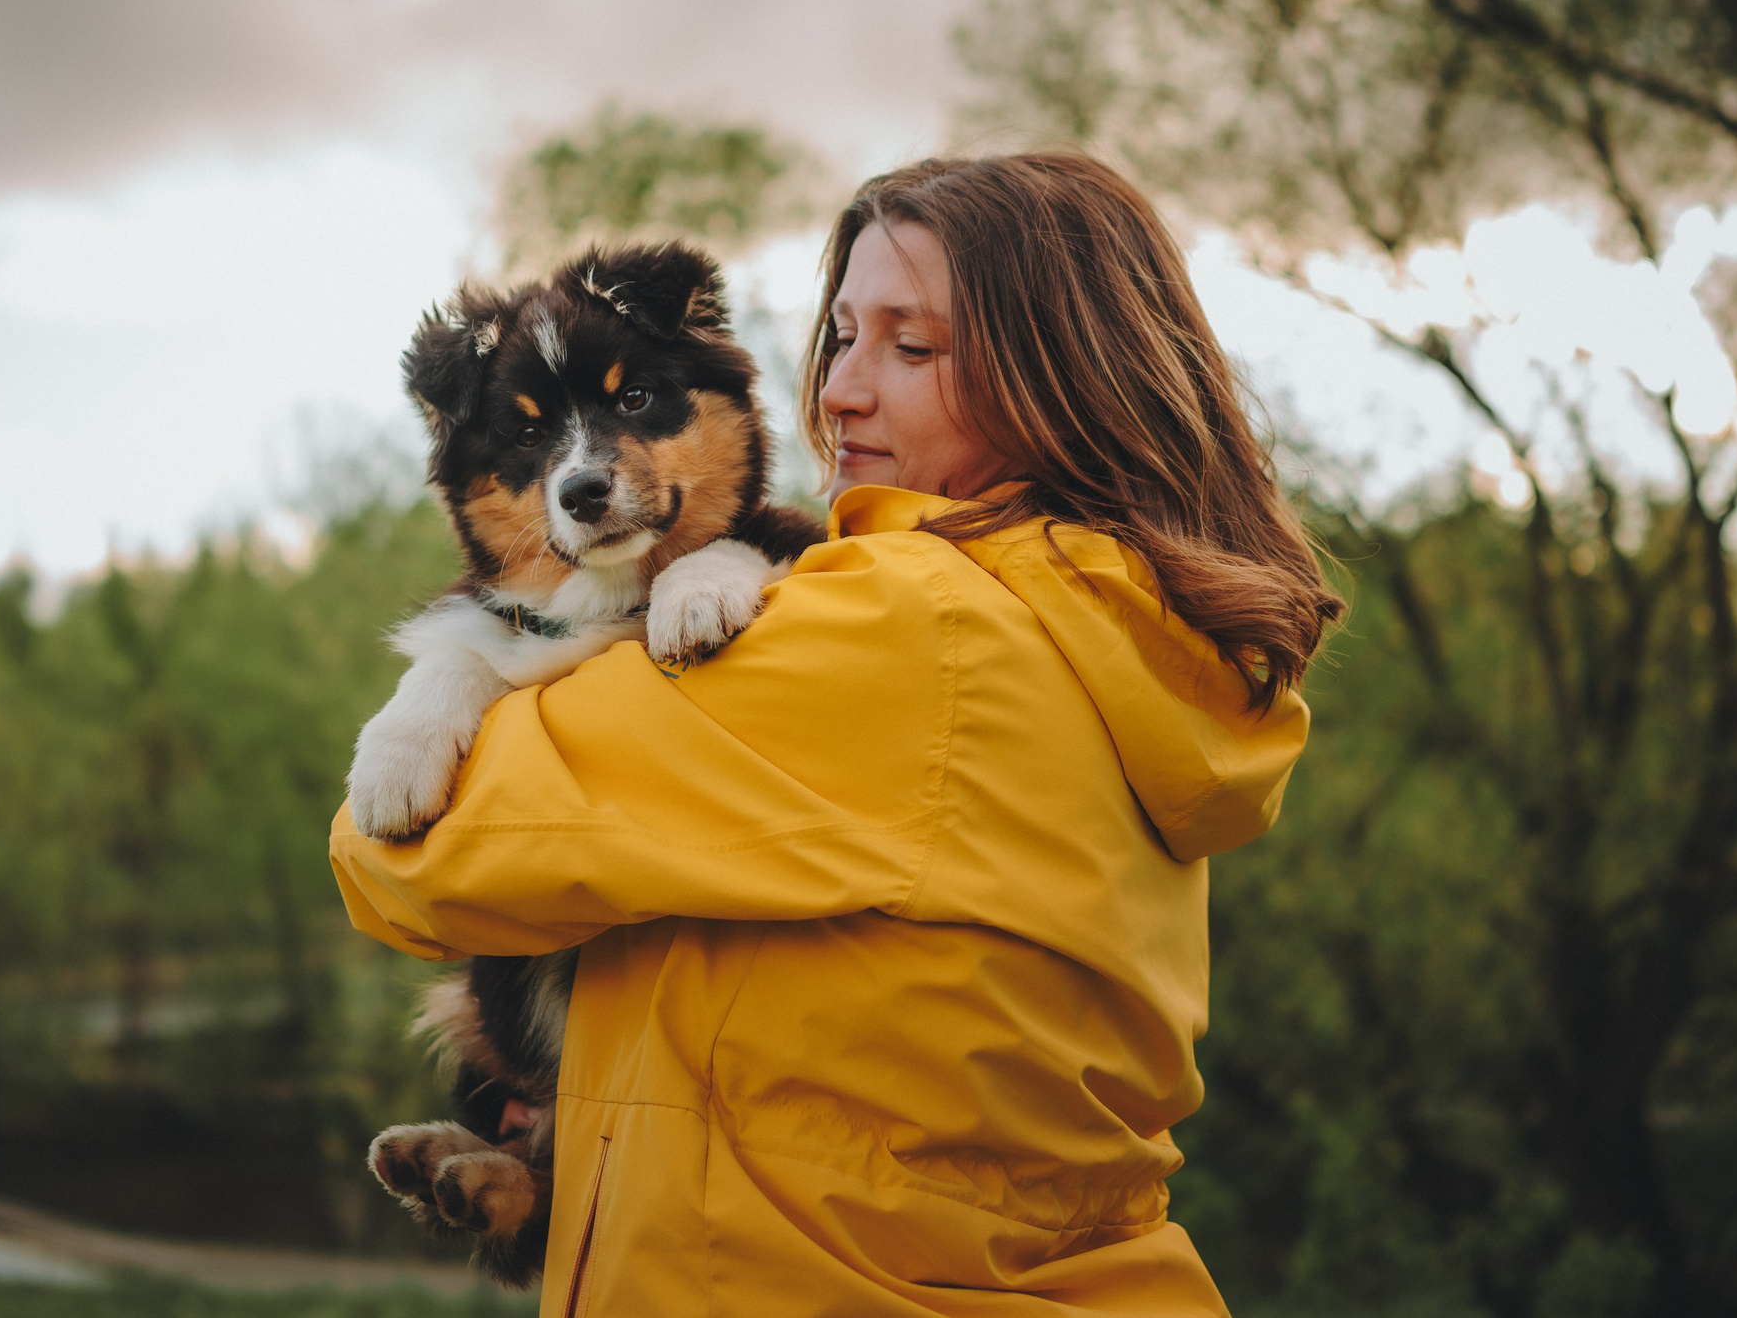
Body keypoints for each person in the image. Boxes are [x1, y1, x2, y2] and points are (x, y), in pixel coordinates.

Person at [331, 152, 1342, 1316]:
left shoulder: (904, 624)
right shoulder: (1101, 625)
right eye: (842, 335)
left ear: (1062, 380)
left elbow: (408, 855)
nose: (845, 390)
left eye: (913, 348)